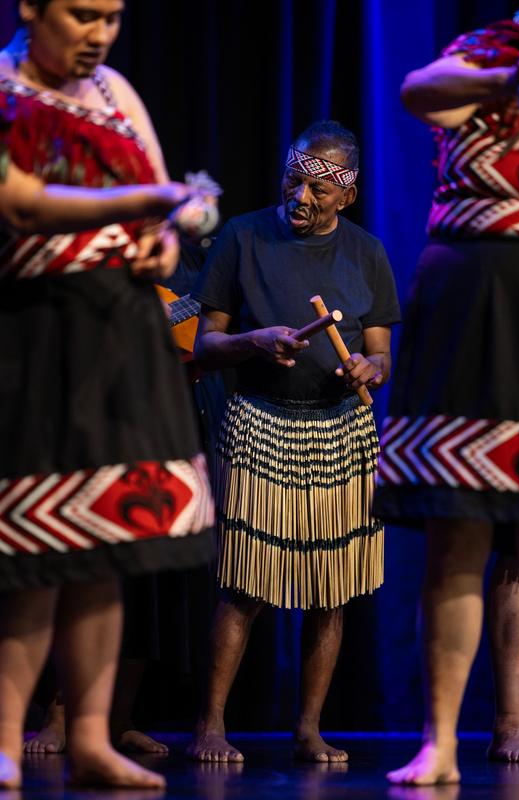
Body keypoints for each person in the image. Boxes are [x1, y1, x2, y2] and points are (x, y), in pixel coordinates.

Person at [0, 0, 215, 788]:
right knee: (34, 545)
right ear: (31, 6)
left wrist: (162, 243)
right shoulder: (2, 91)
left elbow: (169, 200)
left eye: (114, 18)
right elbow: (17, 202)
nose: (99, 34)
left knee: (103, 543)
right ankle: (3, 737)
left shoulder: (116, 94)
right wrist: (143, 209)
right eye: (82, 15)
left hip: (120, 331)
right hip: (37, 331)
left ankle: (91, 737)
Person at [186, 119, 401, 763]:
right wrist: (254, 341)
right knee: (245, 584)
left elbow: (382, 353)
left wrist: (370, 369)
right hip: (259, 421)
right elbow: (205, 346)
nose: (300, 196)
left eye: (317, 187)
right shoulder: (243, 236)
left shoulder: (367, 251)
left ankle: (308, 727)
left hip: (341, 430)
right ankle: (211, 726)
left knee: (331, 588)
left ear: (347, 194)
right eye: (294, 178)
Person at [373, 3, 519, 786]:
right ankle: (439, 740)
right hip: (479, 285)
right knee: (459, 530)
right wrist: (514, 72)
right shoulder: (487, 50)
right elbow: (417, 90)